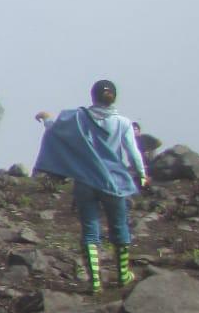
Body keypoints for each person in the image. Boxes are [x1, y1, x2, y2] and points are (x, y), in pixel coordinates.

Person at [35, 79, 150, 293]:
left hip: (85, 181)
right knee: (119, 227)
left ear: (93, 96)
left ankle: (95, 281)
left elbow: (56, 129)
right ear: (114, 97)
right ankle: (123, 275)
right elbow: (133, 152)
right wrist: (142, 175)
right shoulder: (123, 123)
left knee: (90, 230)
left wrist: (46, 118)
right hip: (114, 182)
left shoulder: (79, 117)